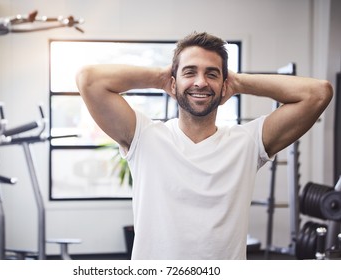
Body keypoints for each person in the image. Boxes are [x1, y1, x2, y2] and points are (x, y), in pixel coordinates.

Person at [75, 32, 333, 260]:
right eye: (190, 72)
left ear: (224, 87)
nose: (200, 82)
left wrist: (240, 82)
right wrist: (162, 78)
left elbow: (318, 93)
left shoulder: (247, 142)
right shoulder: (144, 136)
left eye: (212, 74)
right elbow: (89, 80)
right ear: (174, 83)